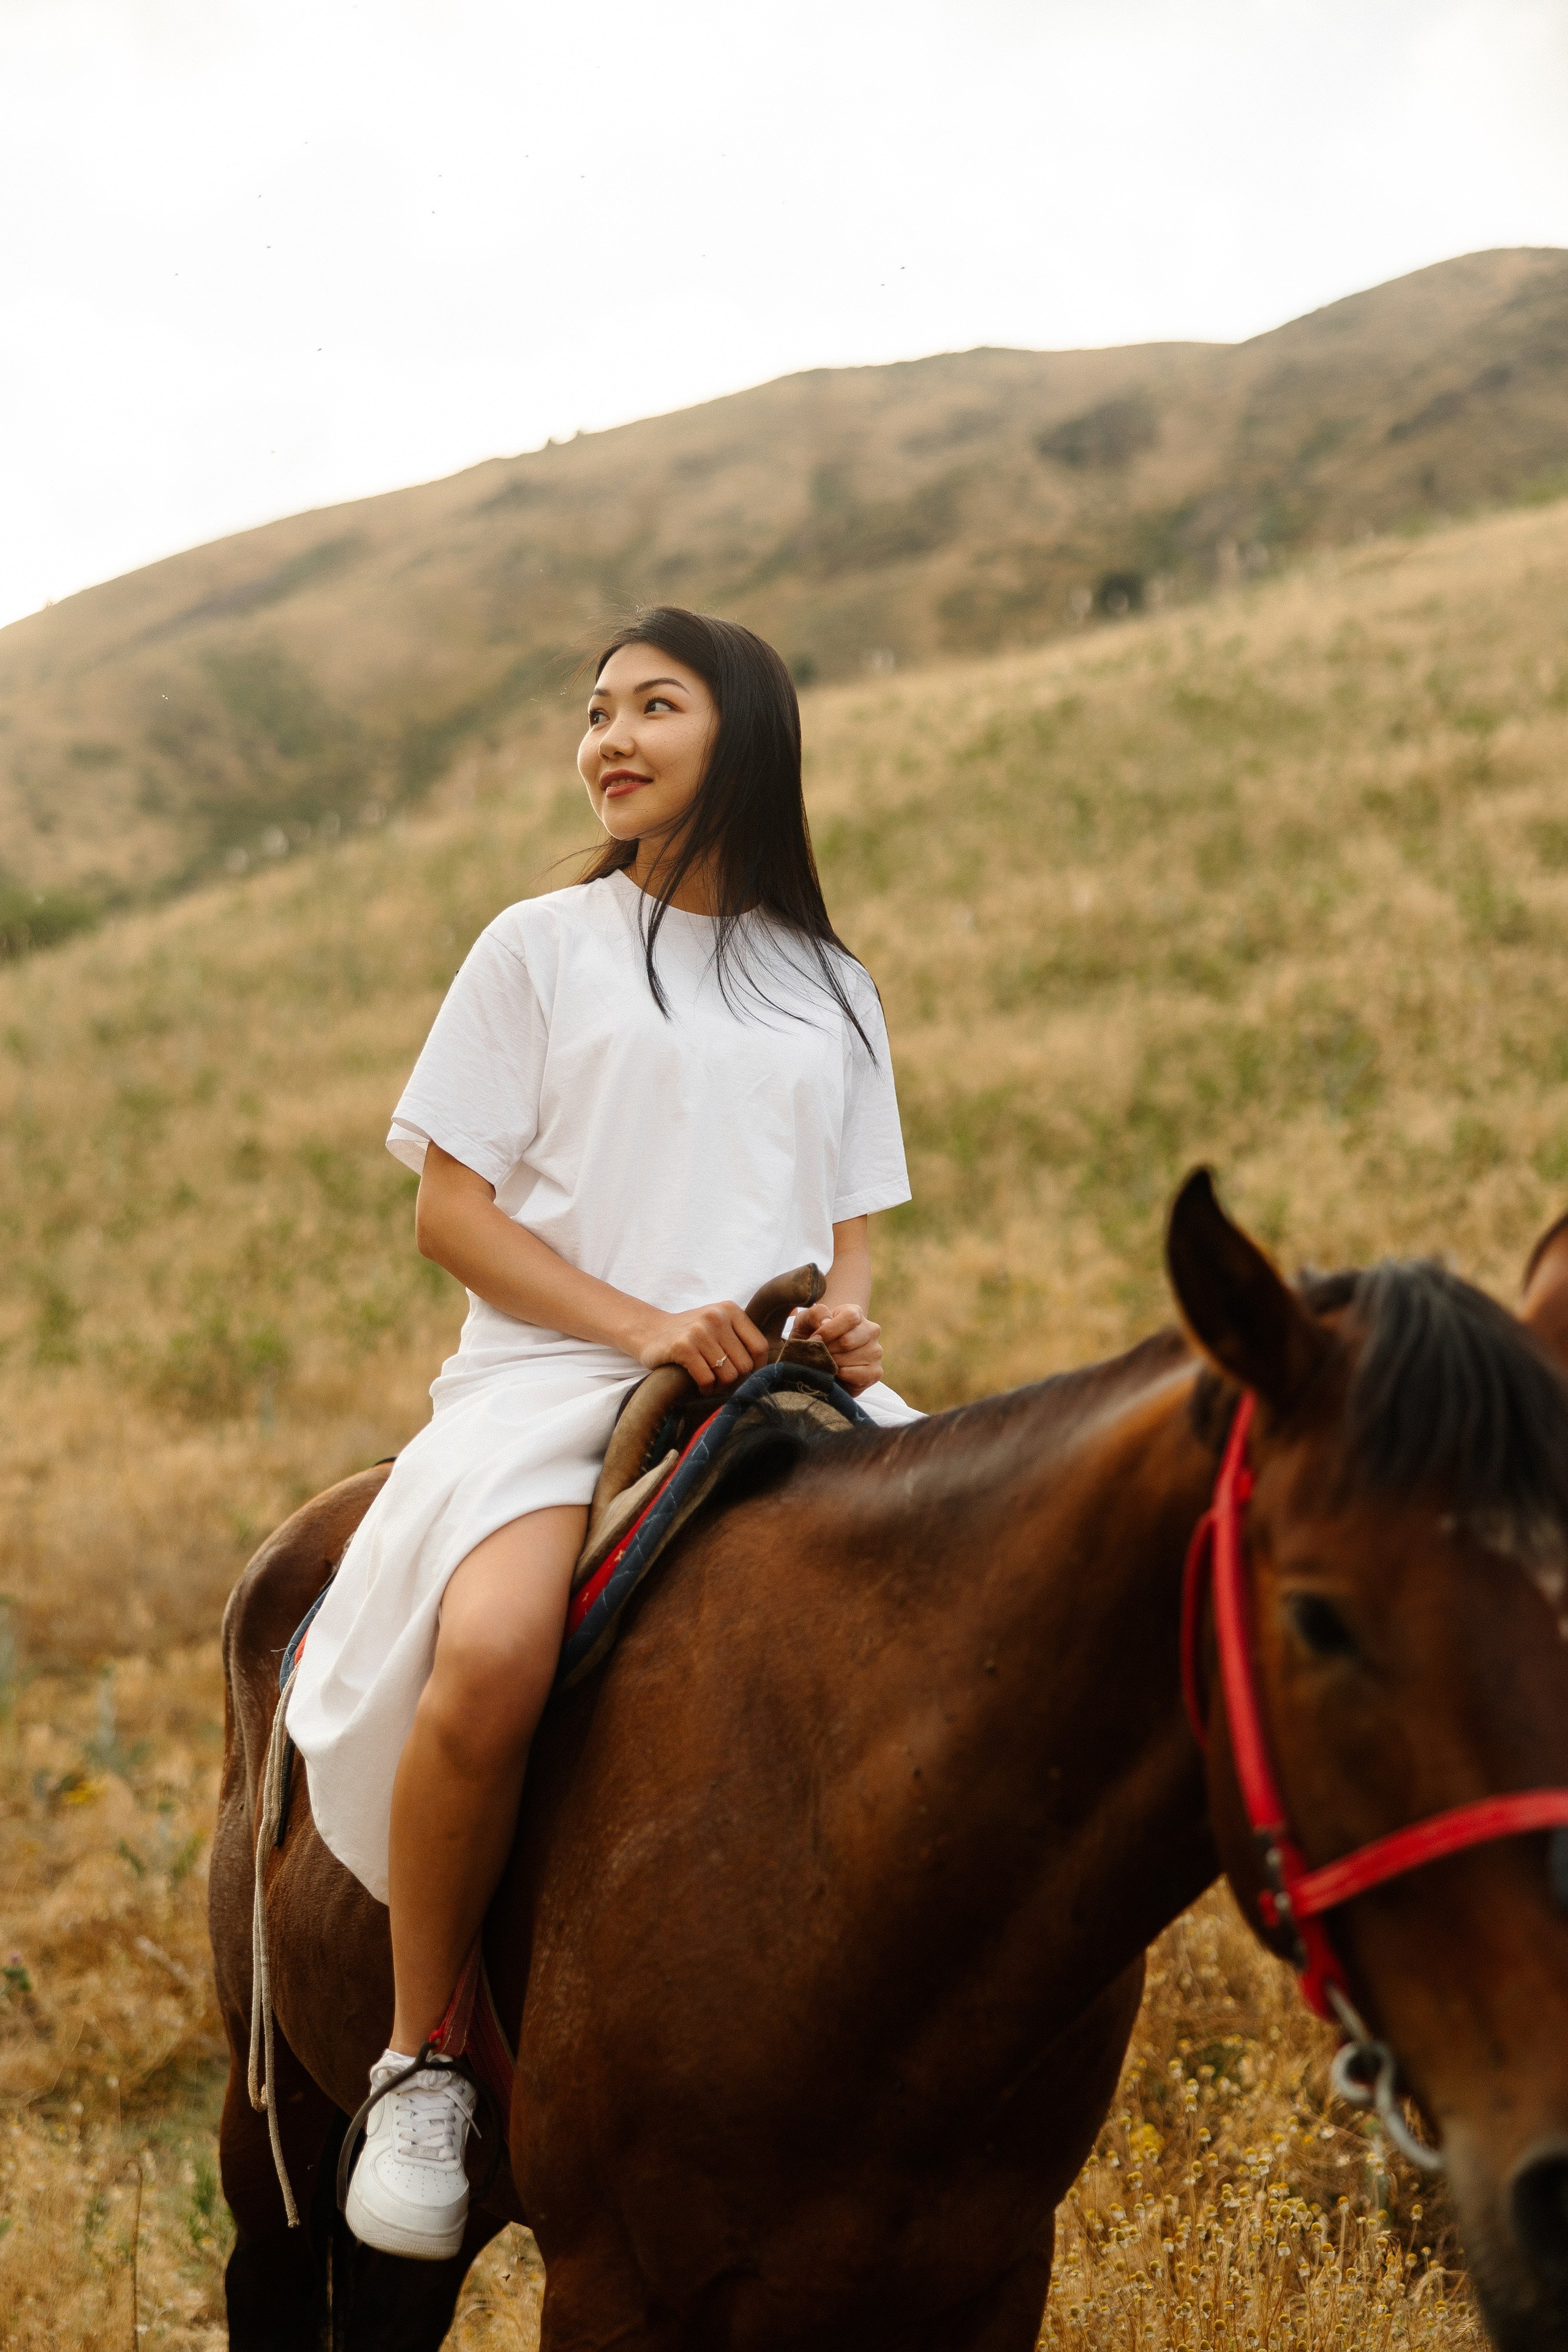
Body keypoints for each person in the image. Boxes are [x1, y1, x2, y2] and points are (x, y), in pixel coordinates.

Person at [286, 606, 920, 2260]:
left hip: (785, 1386)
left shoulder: (833, 985)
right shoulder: (535, 947)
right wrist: (645, 1324)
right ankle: (424, 2055)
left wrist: (844, 1315)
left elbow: (850, 1230)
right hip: (560, 1386)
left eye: (654, 704)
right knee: (491, 1657)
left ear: (749, 735)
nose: (609, 737)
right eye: (594, 711)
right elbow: (450, 1215)